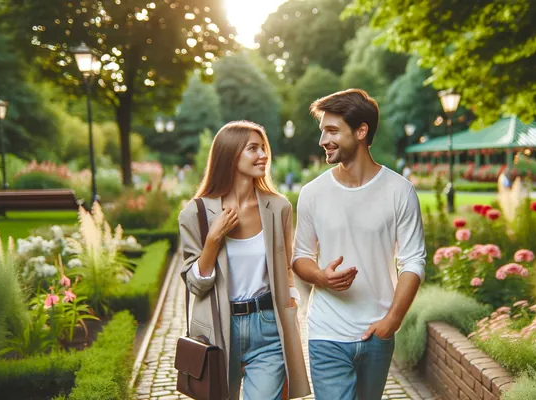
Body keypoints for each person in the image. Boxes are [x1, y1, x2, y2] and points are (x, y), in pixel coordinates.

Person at [291, 89, 427, 400]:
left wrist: (391, 322)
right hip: (326, 333)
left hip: (377, 333)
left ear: (361, 131)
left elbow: (413, 261)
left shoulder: (399, 191)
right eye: (322, 130)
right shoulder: (313, 193)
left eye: (333, 130)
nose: (323, 140)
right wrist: (320, 276)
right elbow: (300, 256)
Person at [178, 120, 310, 400]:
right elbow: (195, 284)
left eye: (263, 148)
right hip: (217, 328)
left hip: (268, 326)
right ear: (230, 154)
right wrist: (213, 240)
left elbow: (285, 265)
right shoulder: (195, 214)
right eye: (253, 149)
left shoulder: (278, 208)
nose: (263, 155)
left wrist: (290, 304)